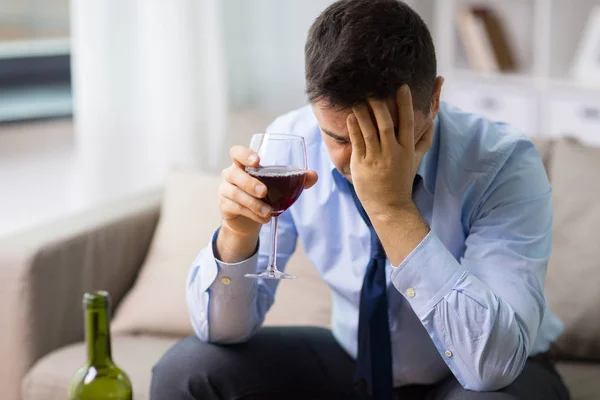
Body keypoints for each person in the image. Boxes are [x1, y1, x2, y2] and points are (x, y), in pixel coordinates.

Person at [150, 0, 571, 399]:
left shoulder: (503, 163)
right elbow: (222, 333)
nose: (364, 159)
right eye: (339, 138)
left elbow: (491, 365)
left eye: (387, 135)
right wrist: (237, 238)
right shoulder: (293, 143)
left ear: (435, 98)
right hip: (354, 359)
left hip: (484, 368)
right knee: (186, 371)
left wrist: (392, 210)